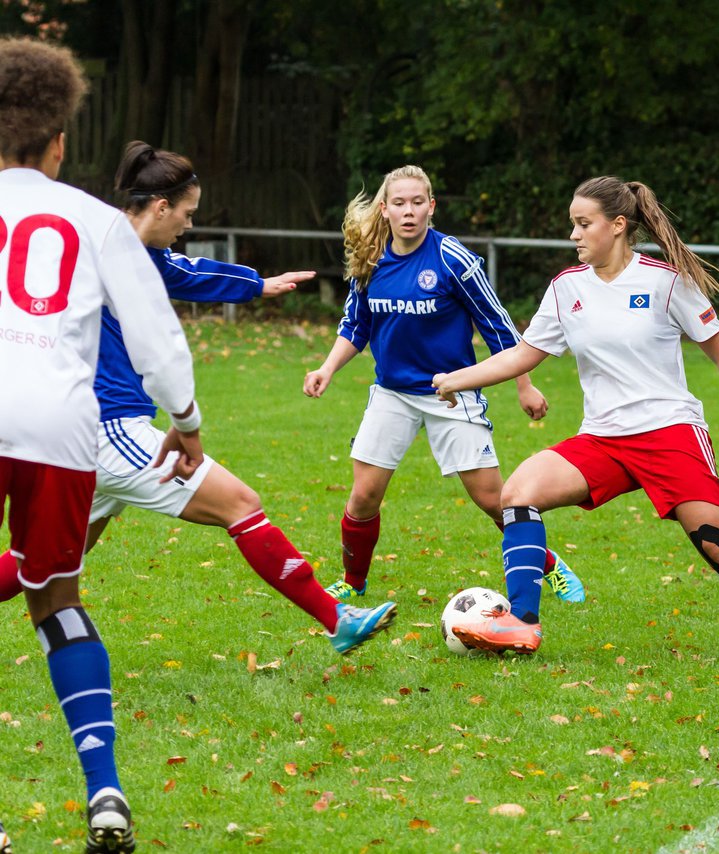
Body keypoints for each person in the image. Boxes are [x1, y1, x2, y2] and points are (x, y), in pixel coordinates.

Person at [0, 141, 399, 656]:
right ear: (161, 206)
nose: (189, 225)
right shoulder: (105, 247)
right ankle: (335, 616)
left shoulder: (121, 246)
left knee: (42, 559)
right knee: (241, 504)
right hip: (107, 429)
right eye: (187, 213)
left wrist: (258, 285)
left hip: (83, 431)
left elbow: (188, 273)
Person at [432, 176, 719, 666]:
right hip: (603, 439)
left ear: (618, 225)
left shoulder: (666, 282)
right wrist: (460, 377)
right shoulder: (566, 288)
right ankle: (523, 623)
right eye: (572, 225)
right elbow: (525, 353)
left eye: (584, 224)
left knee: (718, 547)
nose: (574, 235)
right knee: (518, 494)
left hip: (671, 432)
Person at [0, 38, 199, 854]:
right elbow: (155, 335)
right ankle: (105, 790)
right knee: (57, 601)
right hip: (61, 429)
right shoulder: (93, 219)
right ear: (58, 142)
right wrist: (185, 421)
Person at [303, 165, 584, 605]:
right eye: (399, 203)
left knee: (494, 500)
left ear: (431, 207)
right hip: (392, 394)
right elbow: (355, 327)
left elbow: (498, 325)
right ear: (385, 208)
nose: (409, 211)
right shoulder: (371, 259)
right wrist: (326, 368)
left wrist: (524, 386)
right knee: (363, 496)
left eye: (418, 202)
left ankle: (550, 565)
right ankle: (353, 582)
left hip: (451, 394)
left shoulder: (452, 258)